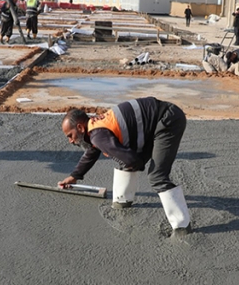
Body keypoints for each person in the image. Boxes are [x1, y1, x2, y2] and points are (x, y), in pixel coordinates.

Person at [58, 97, 191, 237]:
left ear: (80, 128)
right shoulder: (95, 127)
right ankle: (122, 202)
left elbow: (132, 161)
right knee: (126, 159)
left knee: (157, 176)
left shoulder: (98, 135)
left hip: (167, 120)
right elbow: (92, 152)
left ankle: (182, 227)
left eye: (70, 135)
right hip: (156, 122)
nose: (71, 141)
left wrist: (136, 162)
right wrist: (74, 176)